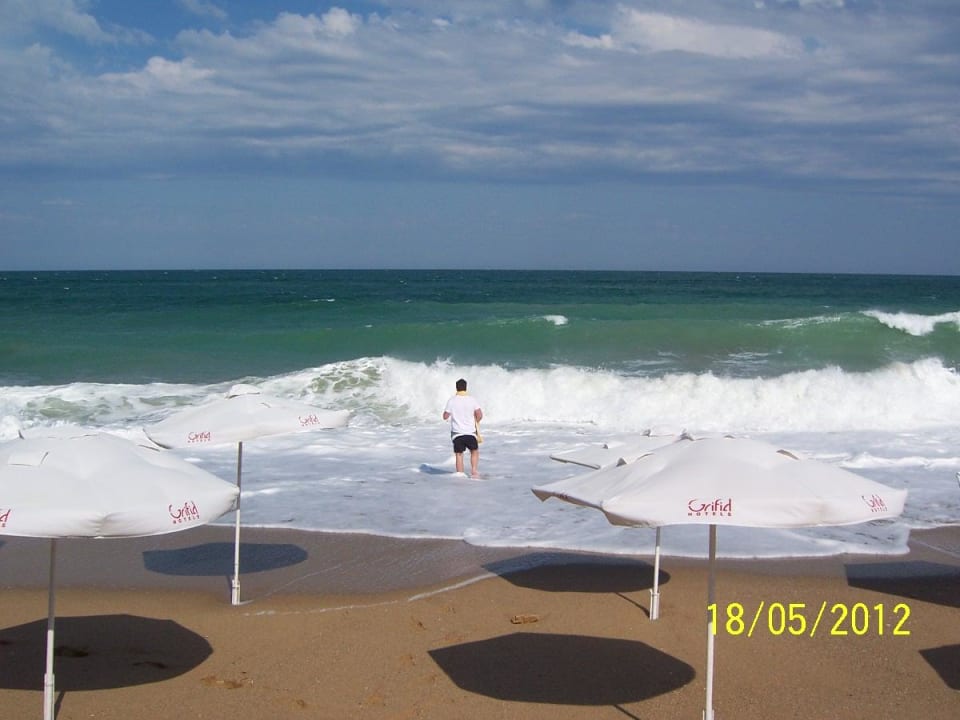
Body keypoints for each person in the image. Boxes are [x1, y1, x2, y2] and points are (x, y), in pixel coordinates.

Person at [442, 378, 483, 478]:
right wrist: (476, 422)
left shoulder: (452, 400)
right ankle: (474, 471)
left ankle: (460, 474)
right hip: (470, 432)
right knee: (474, 451)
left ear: (456, 388)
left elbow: (445, 416)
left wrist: (450, 415)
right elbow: (479, 414)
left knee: (459, 454)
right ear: (466, 388)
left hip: (457, 433)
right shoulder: (472, 400)